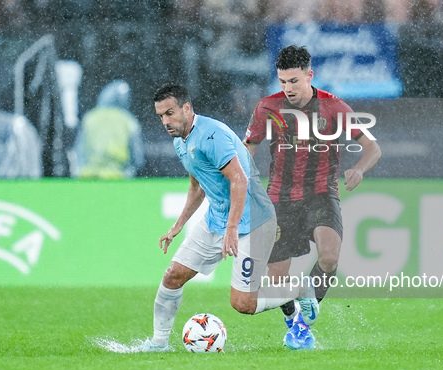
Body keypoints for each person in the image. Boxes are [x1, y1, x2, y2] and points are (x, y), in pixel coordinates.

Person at [138, 84, 317, 352]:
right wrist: (178, 225)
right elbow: (197, 186)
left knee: (243, 304)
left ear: (187, 108)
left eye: (170, 113)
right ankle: (159, 344)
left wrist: (232, 229)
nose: (165, 121)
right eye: (160, 116)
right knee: (173, 276)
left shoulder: (213, 136)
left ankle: (299, 289)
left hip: (254, 222)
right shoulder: (180, 142)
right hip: (217, 219)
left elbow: (239, 180)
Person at [244, 45, 382, 350]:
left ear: (310, 75)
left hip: (321, 193)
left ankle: (303, 326)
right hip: (280, 198)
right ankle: (293, 322)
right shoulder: (267, 107)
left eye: (294, 81)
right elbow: (245, 151)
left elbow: (373, 148)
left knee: (330, 256)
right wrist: (243, 185)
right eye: (282, 81)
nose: (288, 88)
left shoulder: (334, 108)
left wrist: (358, 170)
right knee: (278, 281)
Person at [72, 79, 144, 179]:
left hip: (88, 176)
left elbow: (78, 150)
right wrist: (131, 171)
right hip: (117, 176)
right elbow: (138, 157)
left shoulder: (90, 118)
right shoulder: (128, 121)